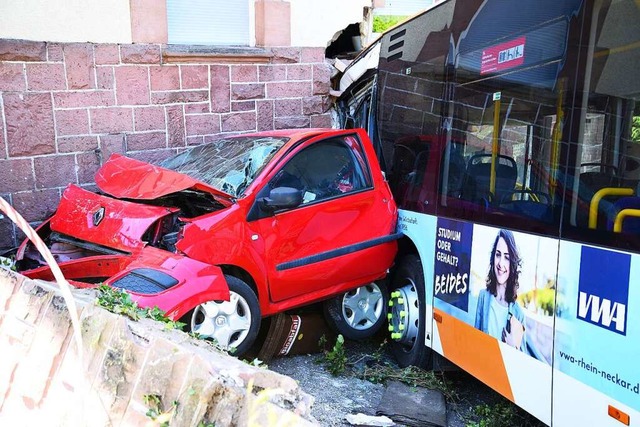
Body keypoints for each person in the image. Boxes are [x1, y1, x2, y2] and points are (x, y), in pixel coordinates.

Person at [474, 229, 526, 350]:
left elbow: (521, 361)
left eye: (507, 257)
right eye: (498, 255)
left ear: (512, 264)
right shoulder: (483, 297)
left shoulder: (519, 314)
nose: (501, 263)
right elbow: (475, 340)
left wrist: (513, 347)